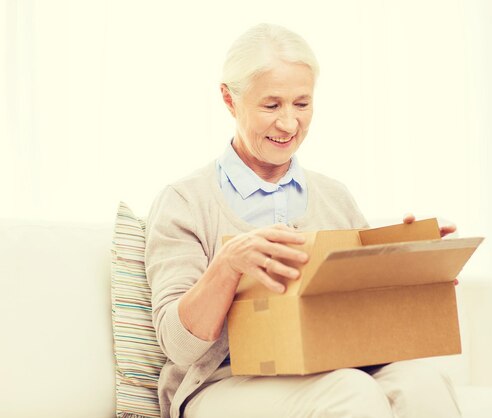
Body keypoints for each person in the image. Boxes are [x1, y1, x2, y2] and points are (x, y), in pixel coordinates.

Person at [145, 23, 460, 418]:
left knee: (423, 382)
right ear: (229, 100)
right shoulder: (185, 201)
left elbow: (370, 314)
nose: (289, 124)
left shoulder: (335, 196)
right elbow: (178, 346)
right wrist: (227, 265)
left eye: (302, 103)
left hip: (335, 367)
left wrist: (418, 269)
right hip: (223, 384)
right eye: (271, 105)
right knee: (349, 391)